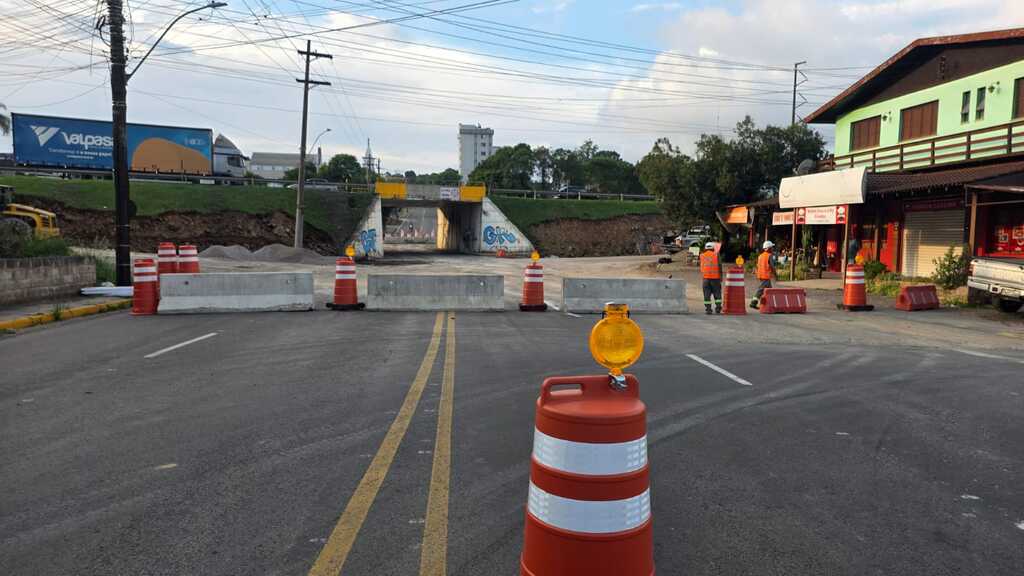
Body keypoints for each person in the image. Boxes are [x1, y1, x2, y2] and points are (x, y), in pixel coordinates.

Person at [751, 240, 777, 309]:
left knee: (769, 290)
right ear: (768, 248)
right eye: (772, 247)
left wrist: (755, 271)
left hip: (760, 275)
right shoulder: (769, 256)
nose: (773, 249)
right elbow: (772, 266)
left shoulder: (760, 256)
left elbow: (758, 265)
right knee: (761, 290)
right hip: (765, 276)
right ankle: (753, 303)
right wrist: (775, 274)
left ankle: (768, 304)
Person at [699, 242, 722, 315]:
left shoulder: (702, 255)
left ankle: (708, 309)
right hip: (715, 278)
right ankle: (718, 308)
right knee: (717, 294)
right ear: (713, 248)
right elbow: (720, 266)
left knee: (706, 294)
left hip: (706, 278)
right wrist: (721, 276)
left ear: (705, 248)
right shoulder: (716, 255)